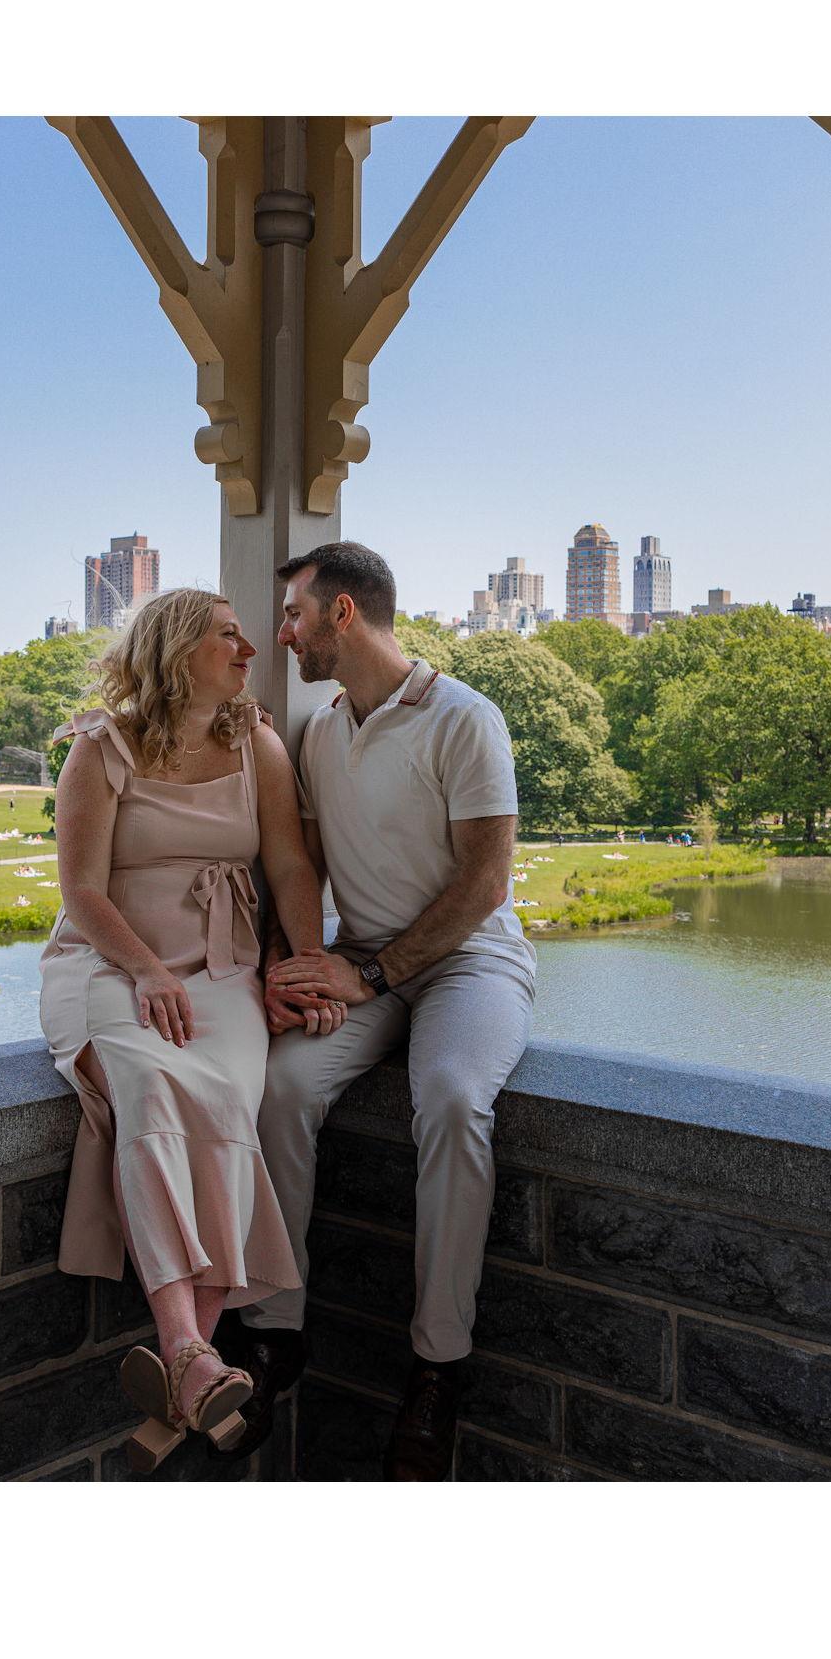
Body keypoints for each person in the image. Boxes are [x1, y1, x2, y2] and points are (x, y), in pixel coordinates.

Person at [242, 541, 536, 1481]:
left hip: (469, 968)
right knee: (281, 1088)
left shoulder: (465, 719)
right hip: (364, 964)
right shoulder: (321, 730)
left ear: (341, 616)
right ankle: (274, 1332)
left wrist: (369, 980)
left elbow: (485, 885)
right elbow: (310, 868)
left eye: (291, 615)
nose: (279, 633)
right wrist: (300, 967)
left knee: (451, 1099)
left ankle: (437, 1366)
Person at [40, 587, 343, 1473]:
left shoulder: (257, 743)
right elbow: (82, 893)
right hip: (110, 967)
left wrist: (302, 965)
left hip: (220, 975)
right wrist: (142, 969)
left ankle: (187, 1370)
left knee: (225, 1097)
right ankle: (190, 1351)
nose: (251, 649)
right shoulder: (102, 750)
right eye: (228, 636)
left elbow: (290, 863)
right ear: (177, 650)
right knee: (148, 1083)